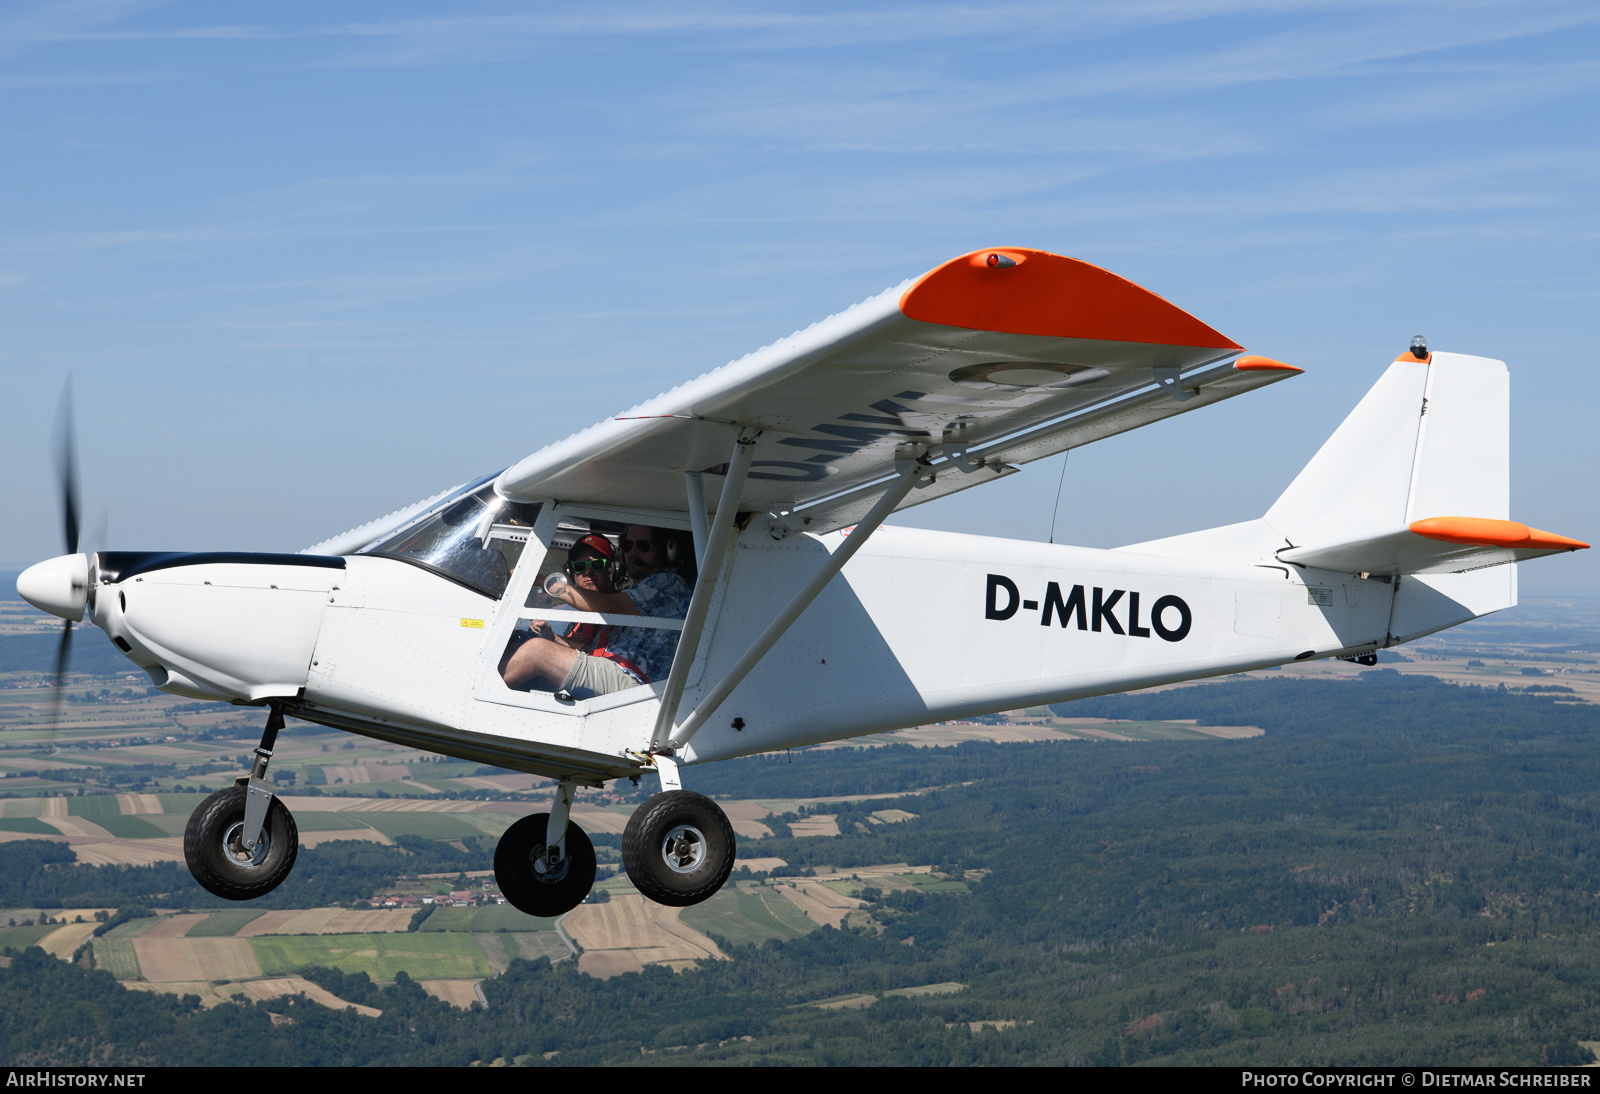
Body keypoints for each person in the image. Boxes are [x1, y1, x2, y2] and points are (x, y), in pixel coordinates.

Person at [501, 525, 691, 699]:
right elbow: (592, 653)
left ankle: (474, 697)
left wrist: (544, 581)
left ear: (667, 551)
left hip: (637, 684)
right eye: (627, 545)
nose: (633, 552)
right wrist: (555, 639)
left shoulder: (668, 584)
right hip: (614, 671)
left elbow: (607, 606)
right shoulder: (633, 598)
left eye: (642, 545)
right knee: (524, 639)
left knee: (537, 651)